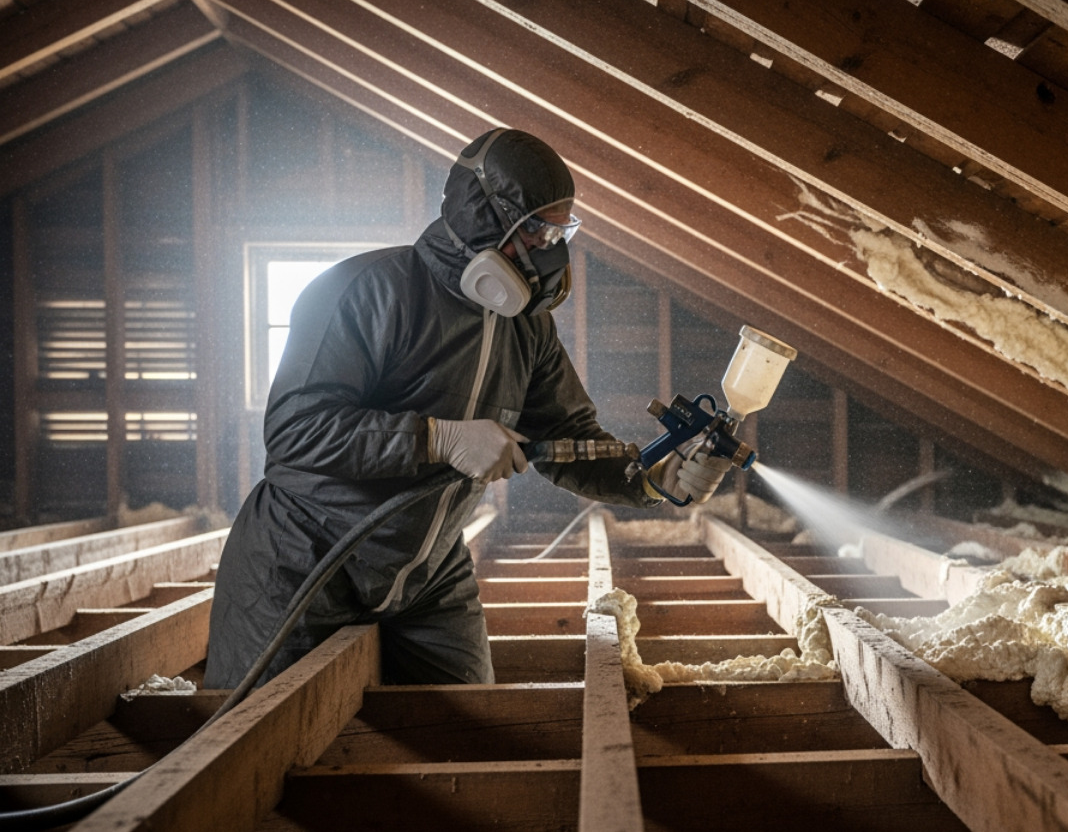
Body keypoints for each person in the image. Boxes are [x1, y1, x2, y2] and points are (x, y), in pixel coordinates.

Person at [205, 128, 729, 689]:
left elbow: (567, 436)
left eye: (559, 232)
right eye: (535, 230)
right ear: (482, 215)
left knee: (467, 732)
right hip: (304, 563)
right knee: (259, 750)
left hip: (427, 573)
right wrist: (440, 439)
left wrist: (650, 478)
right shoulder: (366, 290)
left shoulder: (528, 326)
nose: (549, 251)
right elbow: (296, 430)